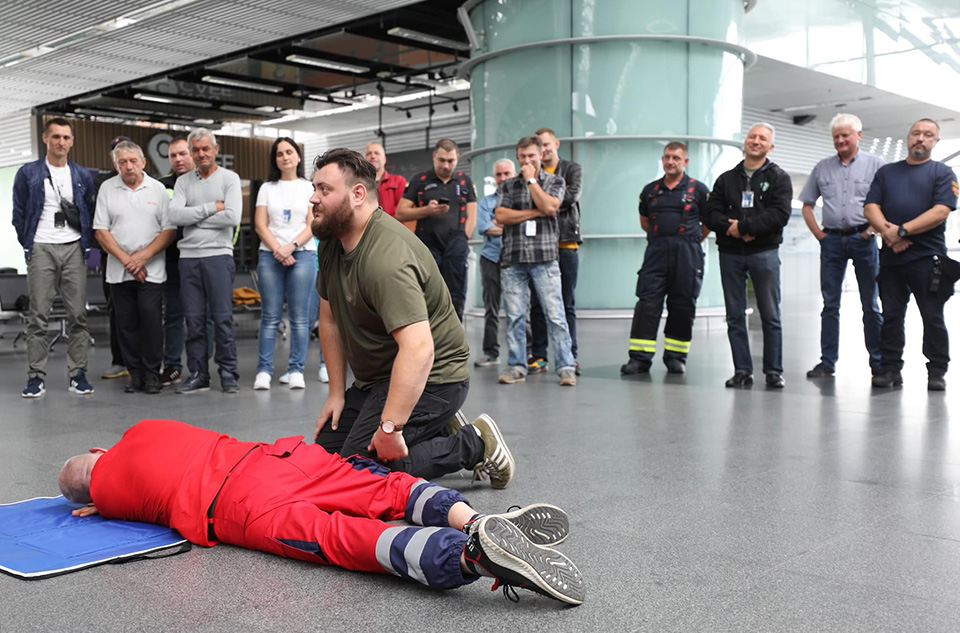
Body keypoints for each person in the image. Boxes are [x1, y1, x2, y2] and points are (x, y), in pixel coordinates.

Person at [58, 419, 585, 605]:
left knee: (346, 540)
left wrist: (96, 504)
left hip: (241, 508)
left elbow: (94, 484)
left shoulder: (103, 491)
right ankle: (469, 519)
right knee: (384, 488)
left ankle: (473, 557)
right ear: (100, 447)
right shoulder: (145, 428)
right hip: (274, 457)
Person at [311, 148, 513, 489]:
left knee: (359, 475)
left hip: (435, 377)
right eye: (314, 189)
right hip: (381, 379)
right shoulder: (332, 243)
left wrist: (391, 426)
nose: (313, 199)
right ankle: (430, 426)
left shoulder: (386, 258)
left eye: (324, 190)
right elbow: (329, 319)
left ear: (358, 194)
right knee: (325, 460)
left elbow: (419, 350)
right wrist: (336, 394)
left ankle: (475, 444)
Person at [864, 119, 959, 391]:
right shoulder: (887, 173)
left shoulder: (942, 173)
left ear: (935, 142)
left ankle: (937, 371)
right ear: (908, 138)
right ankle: (891, 368)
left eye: (928, 135)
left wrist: (901, 232)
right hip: (892, 259)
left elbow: (941, 211)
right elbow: (871, 207)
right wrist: (889, 234)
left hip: (928, 261)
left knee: (932, 316)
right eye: (916, 133)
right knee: (891, 315)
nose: (921, 138)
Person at [703, 123, 793, 389]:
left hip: (764, 253)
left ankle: (773, 371)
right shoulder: (725, 179)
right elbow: (710, 214)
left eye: (762, 138)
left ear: (770, 146)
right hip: (730, 254)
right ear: (745, 142)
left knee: (770, 314)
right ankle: (742, 370)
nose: (756, 141)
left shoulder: (779, 178)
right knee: (734, 314)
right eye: (752, 136)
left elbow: (780, 214)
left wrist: (744, 227)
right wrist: (732, 229)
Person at [12, 117, 96, 398]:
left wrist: (88, 248)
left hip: (74, 247)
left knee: (78, 315)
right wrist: (30, 244)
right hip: (41, 247)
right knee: (38, 316)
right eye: (56, 136)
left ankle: (78, 374)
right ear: (46, 139)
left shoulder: (83, 175)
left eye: (66, 137)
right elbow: (19, 213)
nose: (61, 142)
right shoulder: (28, 173)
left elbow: (90, 213)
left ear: (72, 141)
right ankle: (36, 377)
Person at [799, 114, 885, 379]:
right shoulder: (822, 168)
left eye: (845, 135)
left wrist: (871, 231)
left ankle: (879, 362)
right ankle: (827, 362)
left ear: (858, 135)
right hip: (832, 241)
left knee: (870, 303)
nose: (840, 140)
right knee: (830, 304)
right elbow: (807, 205)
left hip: (864, 239)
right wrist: (820, 235)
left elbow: (887, 202)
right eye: (836, 136)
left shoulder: (876, 165)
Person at [93, 141, 176, 394]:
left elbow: (169, 230)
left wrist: (142, 257)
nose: (128, 166)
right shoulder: (107, 188)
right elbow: (100, 230)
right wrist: (128, 260)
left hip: (152, 270)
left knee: (151, 321)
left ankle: (152, 374)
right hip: (118, 271)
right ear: (116, 165)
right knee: (125, 324)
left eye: (133, 161)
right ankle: (135, 375)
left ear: (143, 162)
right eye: (122, 162)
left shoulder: (159, 189)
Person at [621, 142, 710, 375]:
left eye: (676, 158)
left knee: (682, 305)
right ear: (662, 160)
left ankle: (676, 357)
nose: (671, 162)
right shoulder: (649, 190)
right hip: (656, 253)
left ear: (686, 162)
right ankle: (639, 359)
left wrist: (690, 240)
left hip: (688, 254)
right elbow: (645, 222)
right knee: (647, 304)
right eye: (667, 157)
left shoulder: (699, 190)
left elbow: (708, 224)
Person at [495, 135, 577, 387]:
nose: (527, 160)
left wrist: (531, 180)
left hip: (545, 259)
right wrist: (534, 212)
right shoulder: (508, 186)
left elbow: (551, 207)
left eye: (531, 155)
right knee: (516, 317)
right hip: (514, 260)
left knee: (556, 315)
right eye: (522, 157)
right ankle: (517, 366)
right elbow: (501, 216)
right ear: (518, 157)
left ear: (541, 155)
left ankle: (566, 367)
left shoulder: (556, 181)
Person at [167, 128, 242, 394]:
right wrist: (212, 208)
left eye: (205, 149)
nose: (201, 154)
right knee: (194, 321)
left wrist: (193, 217)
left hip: (219, 256)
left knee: (222, 319)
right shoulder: (183, 182)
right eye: (196, 150)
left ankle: (228, 373)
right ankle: (198, 374)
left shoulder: (230, 179)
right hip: (189, 259)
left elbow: (233, 217)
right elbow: (175, 215)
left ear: (215, 150)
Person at [252, 137, 317, 391]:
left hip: (302, 253)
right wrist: (278, 249)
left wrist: (291, 246)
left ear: (298, 157)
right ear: (275, 159)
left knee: (300, 319)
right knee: (270, 316)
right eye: (279, 154)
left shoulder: (309, 187)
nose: (285, 157)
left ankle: (296, 371)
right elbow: (260, 224)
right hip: (270, 255)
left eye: (289, 152)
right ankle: (264, 372)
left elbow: (313, 224)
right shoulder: (267, 188)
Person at [396, 139, 478, 321]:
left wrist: (464, 236)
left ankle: (454, 340)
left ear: (457, 158)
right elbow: (400, 213)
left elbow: (472, 214)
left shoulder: (465, 181)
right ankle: (429, 340)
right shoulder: (420, 180)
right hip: (428, 244)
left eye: (451, 161)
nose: (446, 165)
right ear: (434, 157)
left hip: (456, 243)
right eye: (442, 160)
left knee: (456, 293)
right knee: (428, 294)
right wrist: (426, 210)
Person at [527, 128, 583, 374]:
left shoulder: (572, 170)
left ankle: (570, 356)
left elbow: (569, 198)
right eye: (540, 145)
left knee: (566, 304)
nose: (545, 149)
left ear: (556, 144)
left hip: (565, 244)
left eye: (547, 144)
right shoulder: (532, 173)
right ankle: (539, 356)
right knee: (537, 304)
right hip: (538, 247)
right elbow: (527, 202)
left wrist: (544, 203)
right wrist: (545, 204)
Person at [94, 135, 134, 382]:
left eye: (128, 153)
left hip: (144, 258)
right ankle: (119, 360)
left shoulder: (148, 182)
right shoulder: (103, 183)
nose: (125, 160)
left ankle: (145, 360)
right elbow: (98, 223)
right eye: (117, 153)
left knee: (146, 310)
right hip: (112, 256)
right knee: (116, 310)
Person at [157, 136, 195, 387]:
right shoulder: (161, 186)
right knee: (172, 316)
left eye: (183, 153)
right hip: (171, 261)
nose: (178, 159)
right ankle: (172, 366)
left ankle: (200, 366)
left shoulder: (205, 183)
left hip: (200, 258)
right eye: (173, 155)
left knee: (203, 317)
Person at [474, 159, 516, 368]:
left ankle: (523, 353)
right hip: (490, 258)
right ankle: (491, 352)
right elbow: (483, 227)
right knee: (491, 308)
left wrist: (499, 223)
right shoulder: (486, 202)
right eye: (499, 175)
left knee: (518, 308)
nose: (503, 178)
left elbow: (524, 224)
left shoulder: (520, 200)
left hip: (515, 259)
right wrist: (511, 224)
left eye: (507, 173)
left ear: (514, 174)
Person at [364, 141, 408, 222]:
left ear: (384, 159)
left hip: (393, 230)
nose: (373, 156)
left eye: (377, 153)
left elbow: (401, 211)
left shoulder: (399, 181)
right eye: (368, 154)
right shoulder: (359, 185)